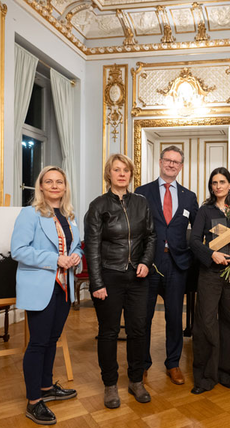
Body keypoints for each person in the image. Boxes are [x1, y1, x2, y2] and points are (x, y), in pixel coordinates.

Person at [11, 166, 82, 425]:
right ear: (40, 186)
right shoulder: (29, 214)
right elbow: (18, 250)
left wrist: (77, 258)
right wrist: (56, 259)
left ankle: (45, 387)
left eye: (59, 182)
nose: (54, 186)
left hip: (63, 287)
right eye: (49, 181)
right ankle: (33, 402)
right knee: (38, 343)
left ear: (65, 187)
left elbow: (77, 249)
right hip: (40, 287)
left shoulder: (69, 216)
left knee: (52, 340)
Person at [84, 154, 156, 406]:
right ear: (109, 174)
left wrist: (146, 263)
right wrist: (97, 283)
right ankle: (110, 385)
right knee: (109, 332)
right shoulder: (98, 206)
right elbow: (92, 248)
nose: (122, 173)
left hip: (137, 277)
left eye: (126, 169)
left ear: (130, 174)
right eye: (117, 169)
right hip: (109, 276)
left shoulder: (141, 203)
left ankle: (136, 381)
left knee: (138, 330)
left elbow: (151, 236)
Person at [135, 146, 198, 385]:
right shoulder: (142, 193)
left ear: (181, 167)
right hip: (149, 263)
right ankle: (141, 364)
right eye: (168, 160)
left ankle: (173, 364)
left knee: (174, 318)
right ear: (160, 162)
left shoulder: (189, 197)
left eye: (177, 162)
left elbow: (200, 230)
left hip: (178, 264)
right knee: (144, 317)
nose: (172, 165)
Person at [189, 167, 230, 394]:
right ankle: (205, 377)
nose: (218, 186)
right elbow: (194, 241)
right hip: (210, 274)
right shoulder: (204, 211)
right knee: (205, 323)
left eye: (222, 182)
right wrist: (210, 254)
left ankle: (226, 373)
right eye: (214, 182)